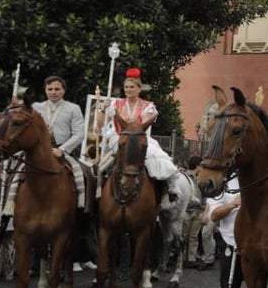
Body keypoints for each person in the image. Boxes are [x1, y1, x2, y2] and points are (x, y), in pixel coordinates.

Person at [99, 68, 182, 200]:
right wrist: (104, 109)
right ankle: (99, 190)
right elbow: (101, 124)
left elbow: (143, 126)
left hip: (139, 138)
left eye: (132, 87)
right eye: (126, 87)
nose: (128, 89)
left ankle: (170, 187)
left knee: (158, 156)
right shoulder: (115, 104)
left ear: (139, 89)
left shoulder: (148, 106)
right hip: (119, 138)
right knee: (103, 164)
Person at [32, 76, 85, 159]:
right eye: (50, 89)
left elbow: (79, 134)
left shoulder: (73, 108)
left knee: (78, 170)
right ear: (45, 90)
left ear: (63, 90)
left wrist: (62, 149)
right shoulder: (36, 107)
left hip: (62, 149)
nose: (53, 92)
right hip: (37, 147)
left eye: (57, 89)